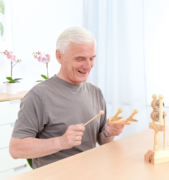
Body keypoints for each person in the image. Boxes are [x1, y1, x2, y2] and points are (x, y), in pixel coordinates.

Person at [9, 27, 125, 169]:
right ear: (59, 56)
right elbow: (15, 149)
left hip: (91, 172)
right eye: (80, 58)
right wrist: (60, 142)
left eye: (92, 58)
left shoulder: (96, 93)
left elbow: (103, 142)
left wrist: (108, 132)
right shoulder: (38, 96)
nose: (88, 66)